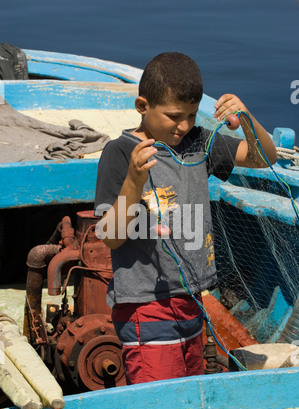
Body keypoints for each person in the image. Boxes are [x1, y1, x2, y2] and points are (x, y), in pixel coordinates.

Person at [94, 52, 277, 385]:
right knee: (163, 404)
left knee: (190, 395)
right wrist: (134, 179)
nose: (184, 126)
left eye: (192, 115)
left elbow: (263, 157)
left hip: (193, 302)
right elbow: (110, 236)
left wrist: (247, 120)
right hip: (145, 308)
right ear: (142, 106)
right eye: (174, 116)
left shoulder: (198, 142)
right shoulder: (120, 153)